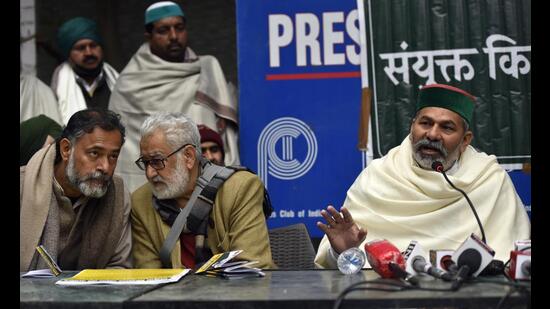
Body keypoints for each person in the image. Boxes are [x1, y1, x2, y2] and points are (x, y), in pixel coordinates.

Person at [314, 84, 530, 267]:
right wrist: (343, 252)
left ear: (465, 140)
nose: (433, 134)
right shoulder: (379, 175)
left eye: (447, 127)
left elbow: (513, 260)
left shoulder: (489, 179)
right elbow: (340, 265)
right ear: (412, 127)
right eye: (425, 123)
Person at [109, 1, 239, 193]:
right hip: (151, 190)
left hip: (206, 187)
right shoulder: (129, 83)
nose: (174, 36)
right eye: (164, 30)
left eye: (179, 28)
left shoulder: (208, 70)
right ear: (148, 36)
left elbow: (223, 134)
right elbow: (124, 147)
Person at [131, 112, 274, 269]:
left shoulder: (240, 188)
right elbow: (148, 279)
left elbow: (251, 267)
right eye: (145, 163)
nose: (149, 173)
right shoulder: (141, 201)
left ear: (189, 157)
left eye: (157, 161)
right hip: (170, 293)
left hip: (231, 292)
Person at [20, 109, 132, 271]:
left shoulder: (118, 195)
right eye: (94, 153)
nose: (105, 167)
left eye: (113, 156)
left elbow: (119, 267)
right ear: (66, 149)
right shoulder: (24, 187)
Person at [51, 17, 119, 125]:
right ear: (68, 54)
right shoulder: (58, 87)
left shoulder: (118, 82)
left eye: (93, 46)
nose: (89, 52)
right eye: (81, 48)